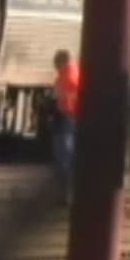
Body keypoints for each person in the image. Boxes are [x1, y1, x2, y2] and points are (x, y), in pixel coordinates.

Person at [52, 48, 81, 204]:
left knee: (65, 155)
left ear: (61, 62)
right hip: (71, 117)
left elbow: (61, 95)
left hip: (69, 117)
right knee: (66, 153)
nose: (55, 67)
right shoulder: (72, 72)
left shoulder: (68, 75)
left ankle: (68, 193)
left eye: (56, 63)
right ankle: (68, 191)